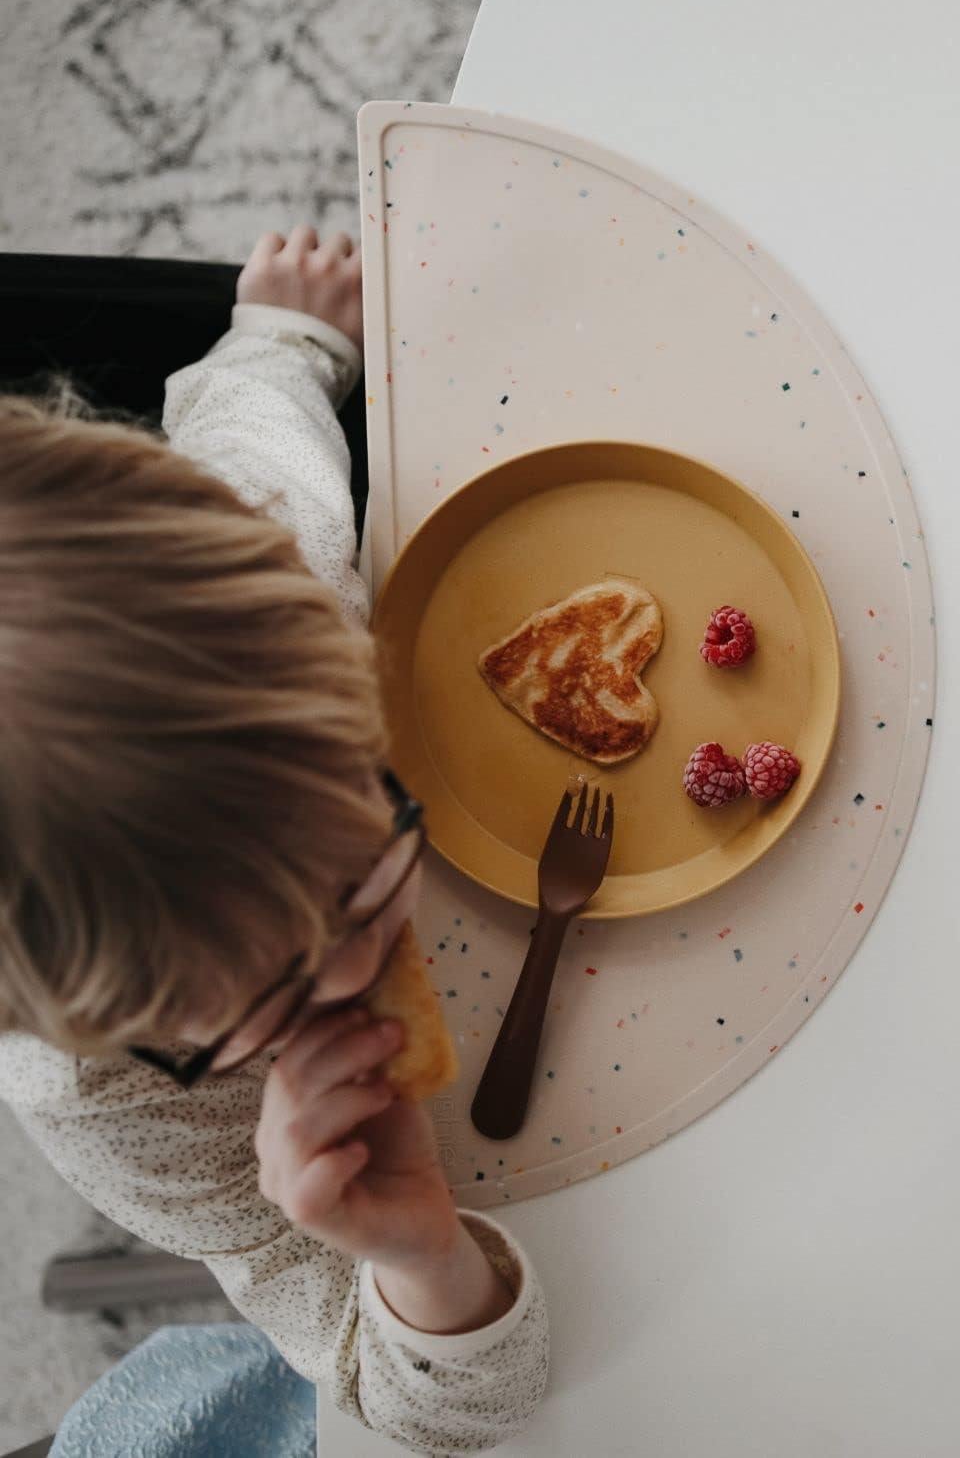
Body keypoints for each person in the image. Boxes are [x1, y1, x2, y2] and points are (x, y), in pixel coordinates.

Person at [0, 227, 547, 1454]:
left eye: (361, 882)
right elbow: (421, 1406)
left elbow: (246, 435)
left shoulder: (288, 579)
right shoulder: (107, 1102)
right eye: (260, 1000)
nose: (357, 976)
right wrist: (417, 1258)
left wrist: (286, 335)